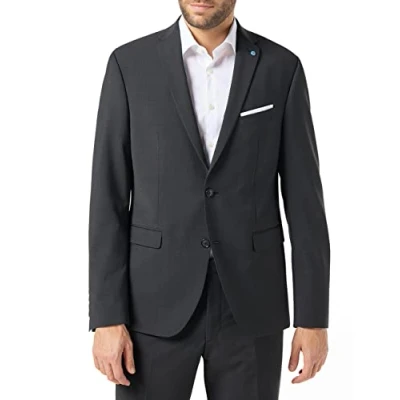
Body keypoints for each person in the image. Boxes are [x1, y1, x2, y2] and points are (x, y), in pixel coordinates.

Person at [88, 1, 330, 399]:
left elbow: (305, 204)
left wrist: (313, 317)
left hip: (251, 306)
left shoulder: (281, 68)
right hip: (151, 307)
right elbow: (107, 199)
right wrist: (106, 316)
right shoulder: (129, 65)